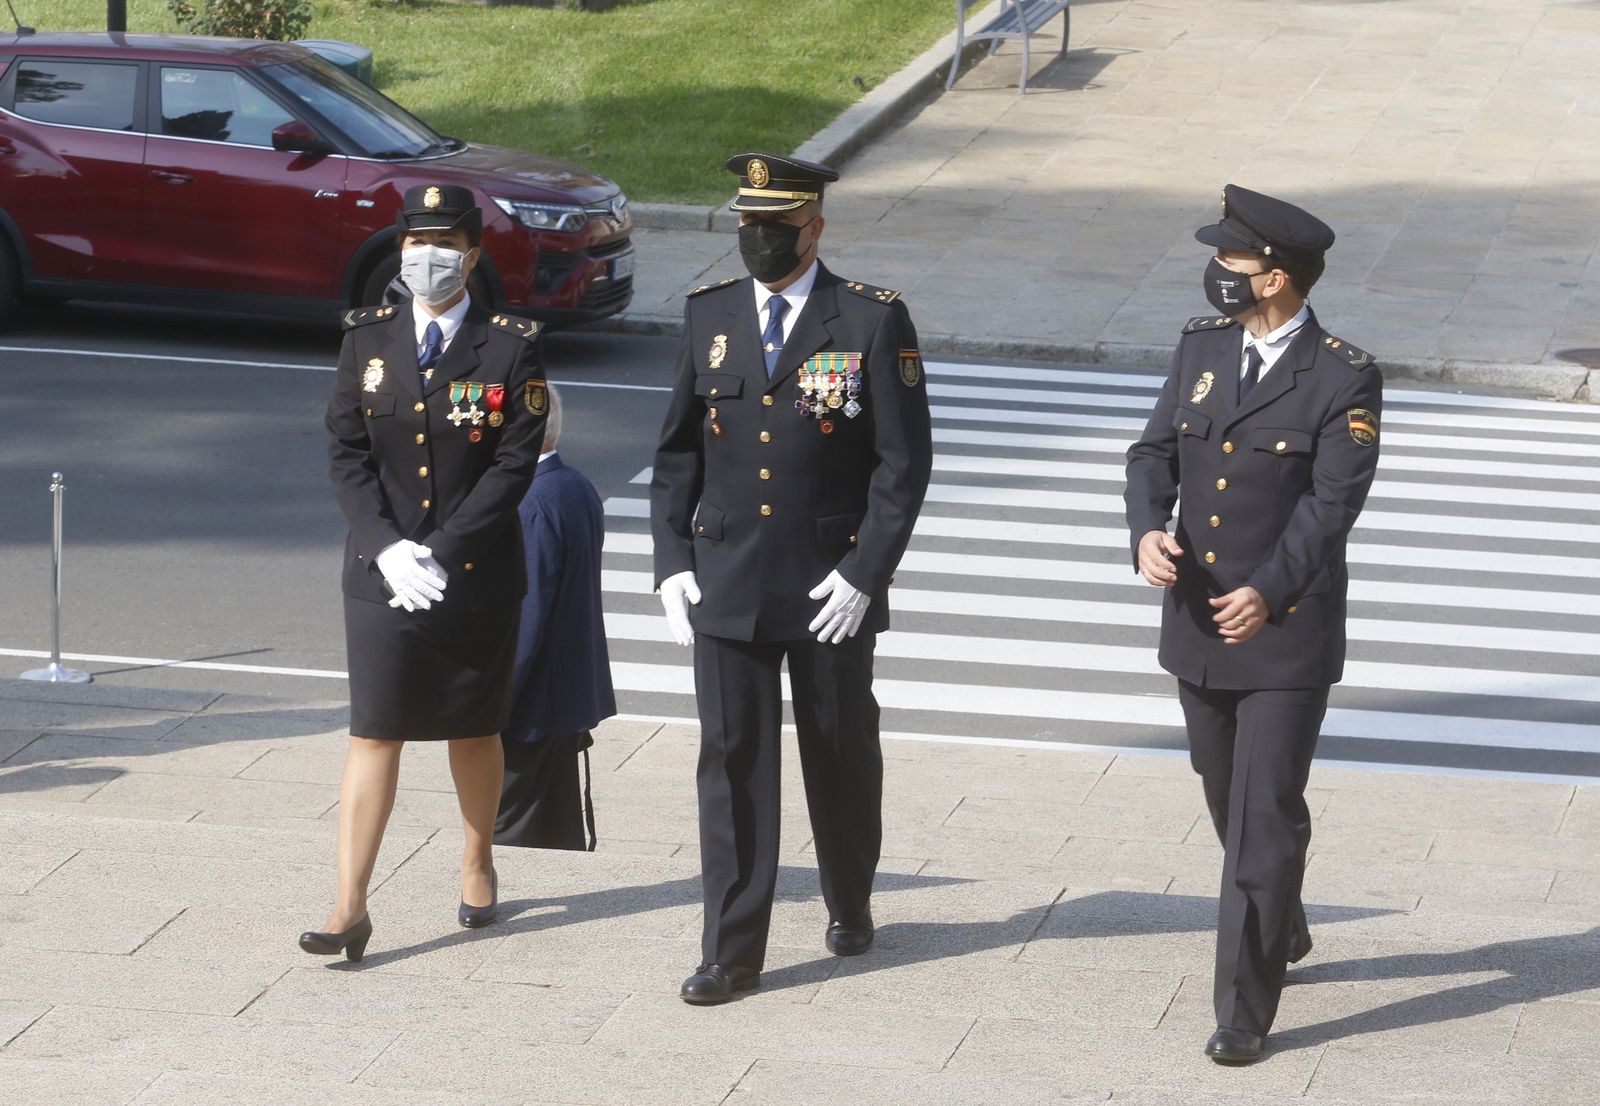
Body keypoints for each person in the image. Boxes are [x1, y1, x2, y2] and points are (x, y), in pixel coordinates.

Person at [650, 152, 933, 1005]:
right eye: (748, 224)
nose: (759, 239)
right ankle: (730, 951)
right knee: (731, 764)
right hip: (729, 577)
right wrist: (672, 563)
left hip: (826, 584)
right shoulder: (710, 314)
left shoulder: (869, 319)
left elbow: (902, 464)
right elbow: (677, 454)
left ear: (814, 229)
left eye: (775, 227)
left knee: (839, 750)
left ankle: (850, 897)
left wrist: (865, 573)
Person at [1124, 184, 1384, 1063]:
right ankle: (1283, 917)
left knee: (1263, 811)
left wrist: (1270, 590)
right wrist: (1146, 530)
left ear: (1274, 278)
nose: (1216, 270)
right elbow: (1153, 452)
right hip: (1199, 622)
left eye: (1230, 259)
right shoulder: (1201, 346)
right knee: (1222, 786)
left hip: (1284, 632)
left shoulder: (1344, 376)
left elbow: (1331, 507)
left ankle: (1242, 1010)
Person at [303, 183, 549, 961]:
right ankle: (348, 904)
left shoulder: (509, 345)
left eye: (444, 243)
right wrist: (387, 547)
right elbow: (346, 453)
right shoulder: (366, 338)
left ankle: (477, 862)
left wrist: (441, 551)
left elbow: (513, 465)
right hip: (381, 573)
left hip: (472, 572)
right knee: (375, 730)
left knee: (473, 727)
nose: (427, 256)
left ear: (472, 257)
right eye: (415, 242)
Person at [495, 383, 615, 851]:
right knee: (556, 830)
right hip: (564, 696)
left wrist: (496, 700)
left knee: (504, 829)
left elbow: (528, 615)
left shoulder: (529, 503)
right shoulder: (575, 485)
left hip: (530, 706)